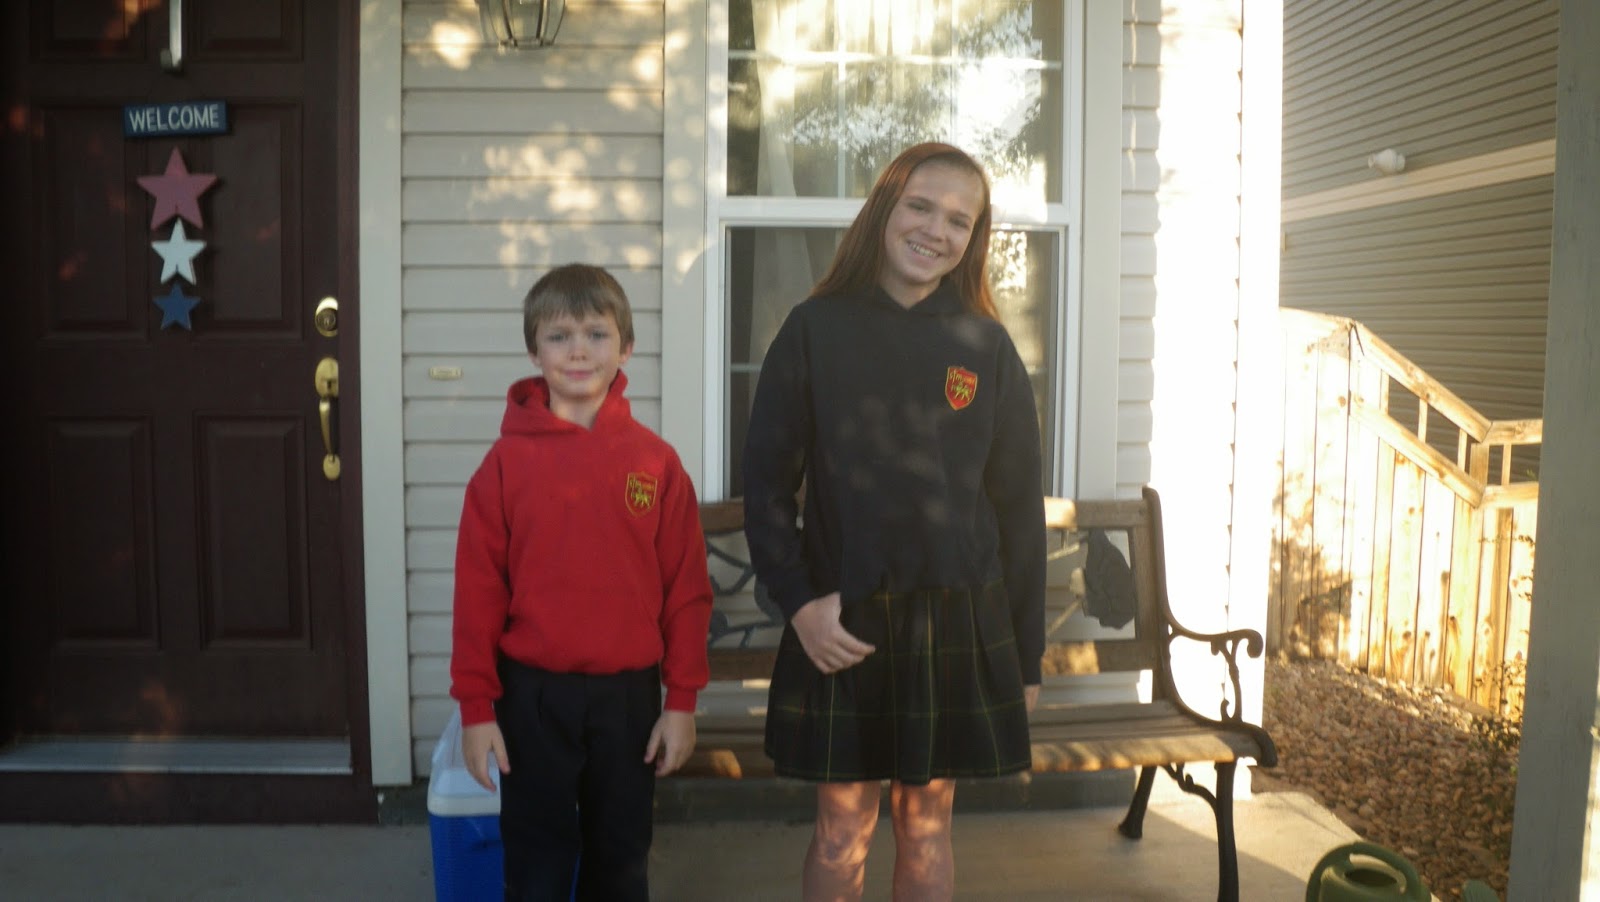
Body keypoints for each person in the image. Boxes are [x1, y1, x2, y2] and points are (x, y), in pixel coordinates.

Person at [742, 142, 1048, 901]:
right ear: (884, 208)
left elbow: (1018, 511)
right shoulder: (814, 329)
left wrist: (1027, 657)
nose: (935, 230)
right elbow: (767, 484)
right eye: (920, 206)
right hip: (843, 618)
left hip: (955, 620)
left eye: (959, 220)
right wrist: (800, 603)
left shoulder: (986, 345)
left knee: (926, 829)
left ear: (974, 238)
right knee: (841, 832)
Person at [450, 264, 715, 902]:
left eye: (596, 334)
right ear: (534, 351)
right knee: (536, 861)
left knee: (620, 858)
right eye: (559, 336)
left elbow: (686, 591)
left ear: (626, 347)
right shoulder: (504, 466)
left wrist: (681, 701)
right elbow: (477, 595)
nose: (577, 351)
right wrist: (477, 711)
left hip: (629, 698)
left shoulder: (655, 463)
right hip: (534, 697)